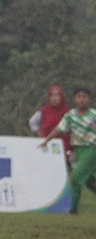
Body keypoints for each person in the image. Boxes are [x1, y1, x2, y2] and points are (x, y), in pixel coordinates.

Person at [37, 87, 96, 215]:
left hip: (92, 150)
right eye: (79, 97)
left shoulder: (94, 115)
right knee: (90, 182)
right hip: (78, 150)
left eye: (84, 97)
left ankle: (73, 211)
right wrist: (47, 140)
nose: (82, 100)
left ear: (89, 99)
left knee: (74, 178)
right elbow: (59, 129)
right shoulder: (70, 115)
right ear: (74, 100)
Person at [30, 84, 72, 164]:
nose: (54, 98)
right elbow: (32, 122)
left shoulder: (68, 112)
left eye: (57, 95)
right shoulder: (44, 111)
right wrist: (41, 135)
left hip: (65, 147)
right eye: (52, 96)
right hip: (47, 145)